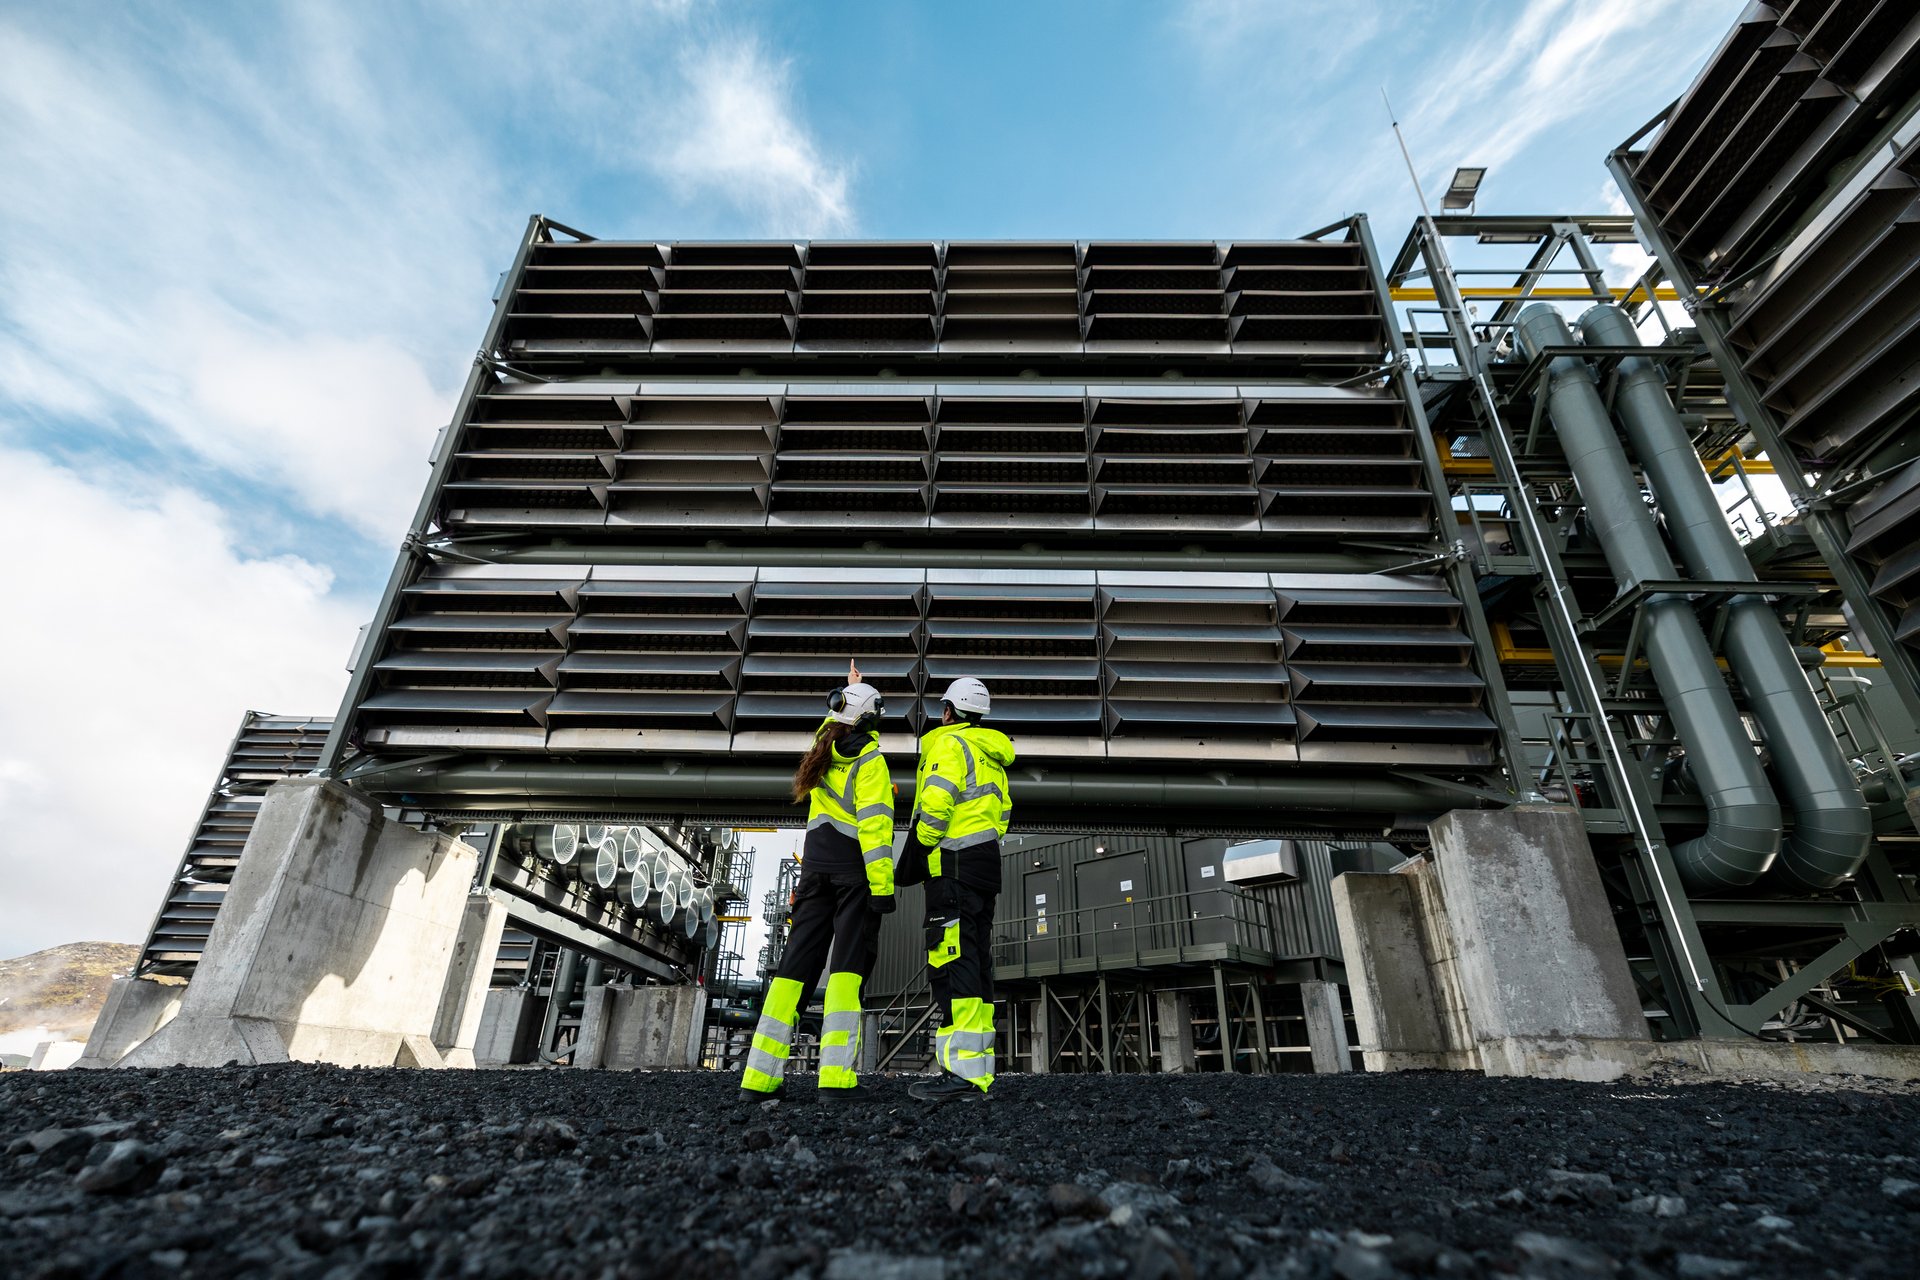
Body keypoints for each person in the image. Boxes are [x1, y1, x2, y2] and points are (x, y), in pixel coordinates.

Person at [739, 671, 895, 1100]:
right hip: (854, 874)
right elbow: (876, 830)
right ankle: (835, 1081)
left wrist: (849, 689)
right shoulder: (870, 761)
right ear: (871, 720)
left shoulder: (821, 749)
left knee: (792, 972)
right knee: (845, 973)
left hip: (814, 873)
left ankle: (759, 1080)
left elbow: (832, 721)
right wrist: (882, 889)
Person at [907, 677, 1015, 1103]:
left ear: (949, 711)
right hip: (984, 867)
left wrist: (921, 847)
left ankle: (961, 1076)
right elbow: (1003, 815)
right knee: (978, 964)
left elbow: (935, 805)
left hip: (951, 868)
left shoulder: (949, 745)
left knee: (953, 963)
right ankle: (977, 1071)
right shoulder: (991, 756)